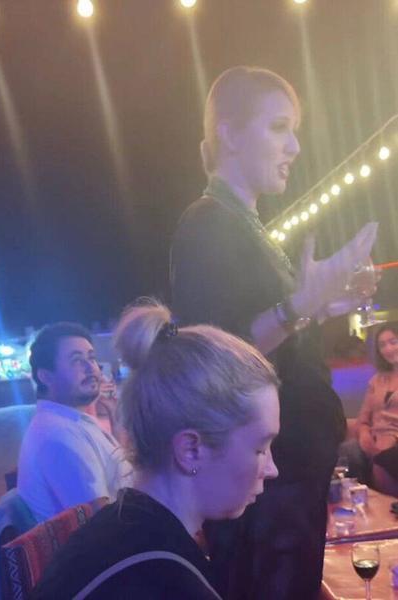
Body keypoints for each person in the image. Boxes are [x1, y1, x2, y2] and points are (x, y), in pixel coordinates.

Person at [170, 66, 378, 599]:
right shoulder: (207, 223)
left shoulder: (246, 225)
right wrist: (299, 303)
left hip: (287, 479)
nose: (295, 146)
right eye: (279, 127)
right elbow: (218, 353)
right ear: (231, 134)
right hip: (266, 487)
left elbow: (269, 339)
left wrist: (322, 304)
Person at [32, 300, 280, 599]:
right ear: (191, 450)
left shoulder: (125, 530)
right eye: (260, 448)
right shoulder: (164, 579)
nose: (272, 469)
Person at [17, 322, 132, 522]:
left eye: (91, 358)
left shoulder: (71, 420)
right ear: (46, 376)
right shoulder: (59, 434)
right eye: (77, 360)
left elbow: (117, 469)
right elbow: (103, 521)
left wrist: (114, 414)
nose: (91, 368)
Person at [343, 323, 398, 495]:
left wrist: (391, 438)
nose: (388, 349)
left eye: (393, 342)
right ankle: (363, 501)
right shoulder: (377, 380)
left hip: (394, 440)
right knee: (349, 450)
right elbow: (364, 417)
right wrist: (364, 434)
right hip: (374, 437)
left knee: (386, 457)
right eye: (382, 345)